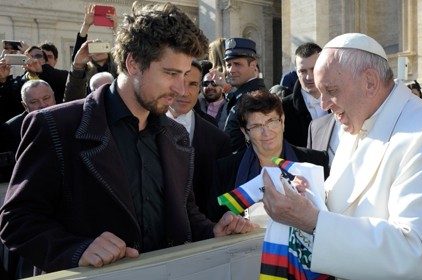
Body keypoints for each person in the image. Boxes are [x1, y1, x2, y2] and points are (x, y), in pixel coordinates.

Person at [0, 2, 255, 275]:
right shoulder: (55, 126)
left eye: (184, 75)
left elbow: (183, 213)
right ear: (133, 63)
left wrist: (212, 230)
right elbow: (17, 221)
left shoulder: (176, 134)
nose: (181, 89)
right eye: (170, 73)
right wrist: (77, 249)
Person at [261, 33, 422, 279]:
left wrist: (312, 220)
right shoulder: (355, 124)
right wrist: (309, 197)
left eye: (331, 90)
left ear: (369, 81)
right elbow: (345, 208)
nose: (323, 105)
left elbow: (416, 254)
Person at [210, 89, 329, 222]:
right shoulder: (224, 170)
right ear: (245, 132)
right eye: (256, 126)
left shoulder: (317, 161)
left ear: (282, 121)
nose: (266, 132)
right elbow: (216, 220)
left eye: (271, 121)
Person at [167, 61, 231, 220]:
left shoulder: (218, 139)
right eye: (180, 83)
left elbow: (218, 198)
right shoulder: (142, 127)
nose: (185, 92)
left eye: (193, 84)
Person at [64, 4, 118, 102]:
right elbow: (77, 57)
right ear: (89, 55)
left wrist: (116, 28)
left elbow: (125, 50)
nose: (98, 51)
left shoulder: (118, 67)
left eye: (101, 46)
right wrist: (86, 25)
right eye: (94, 48)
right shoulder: (85, 71)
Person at [223, 37, 267, 152]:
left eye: (237, 64)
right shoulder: (242, 94)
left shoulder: (257, 97)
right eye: (228, 65)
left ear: (253, 65)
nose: (231, 70)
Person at [283, 42, 327, 147]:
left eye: (314, 69)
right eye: (302, 71)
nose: (309, 77)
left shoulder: (341, 101)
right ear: (296, 72)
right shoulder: (283, 108)